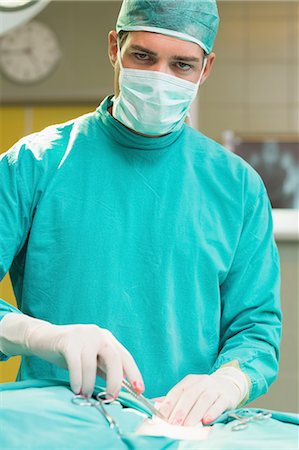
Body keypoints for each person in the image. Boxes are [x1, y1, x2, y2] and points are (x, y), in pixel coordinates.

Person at [0, 0, 281, 427]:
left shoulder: (237, 187)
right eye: (143, 57)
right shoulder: (34, 164)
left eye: (182, 65)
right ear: (114, 47)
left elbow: (256, 328)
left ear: (205, 69)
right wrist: (44, 337)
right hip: (56, 427)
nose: (159, 79)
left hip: (178, 428)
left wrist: (227, 381)